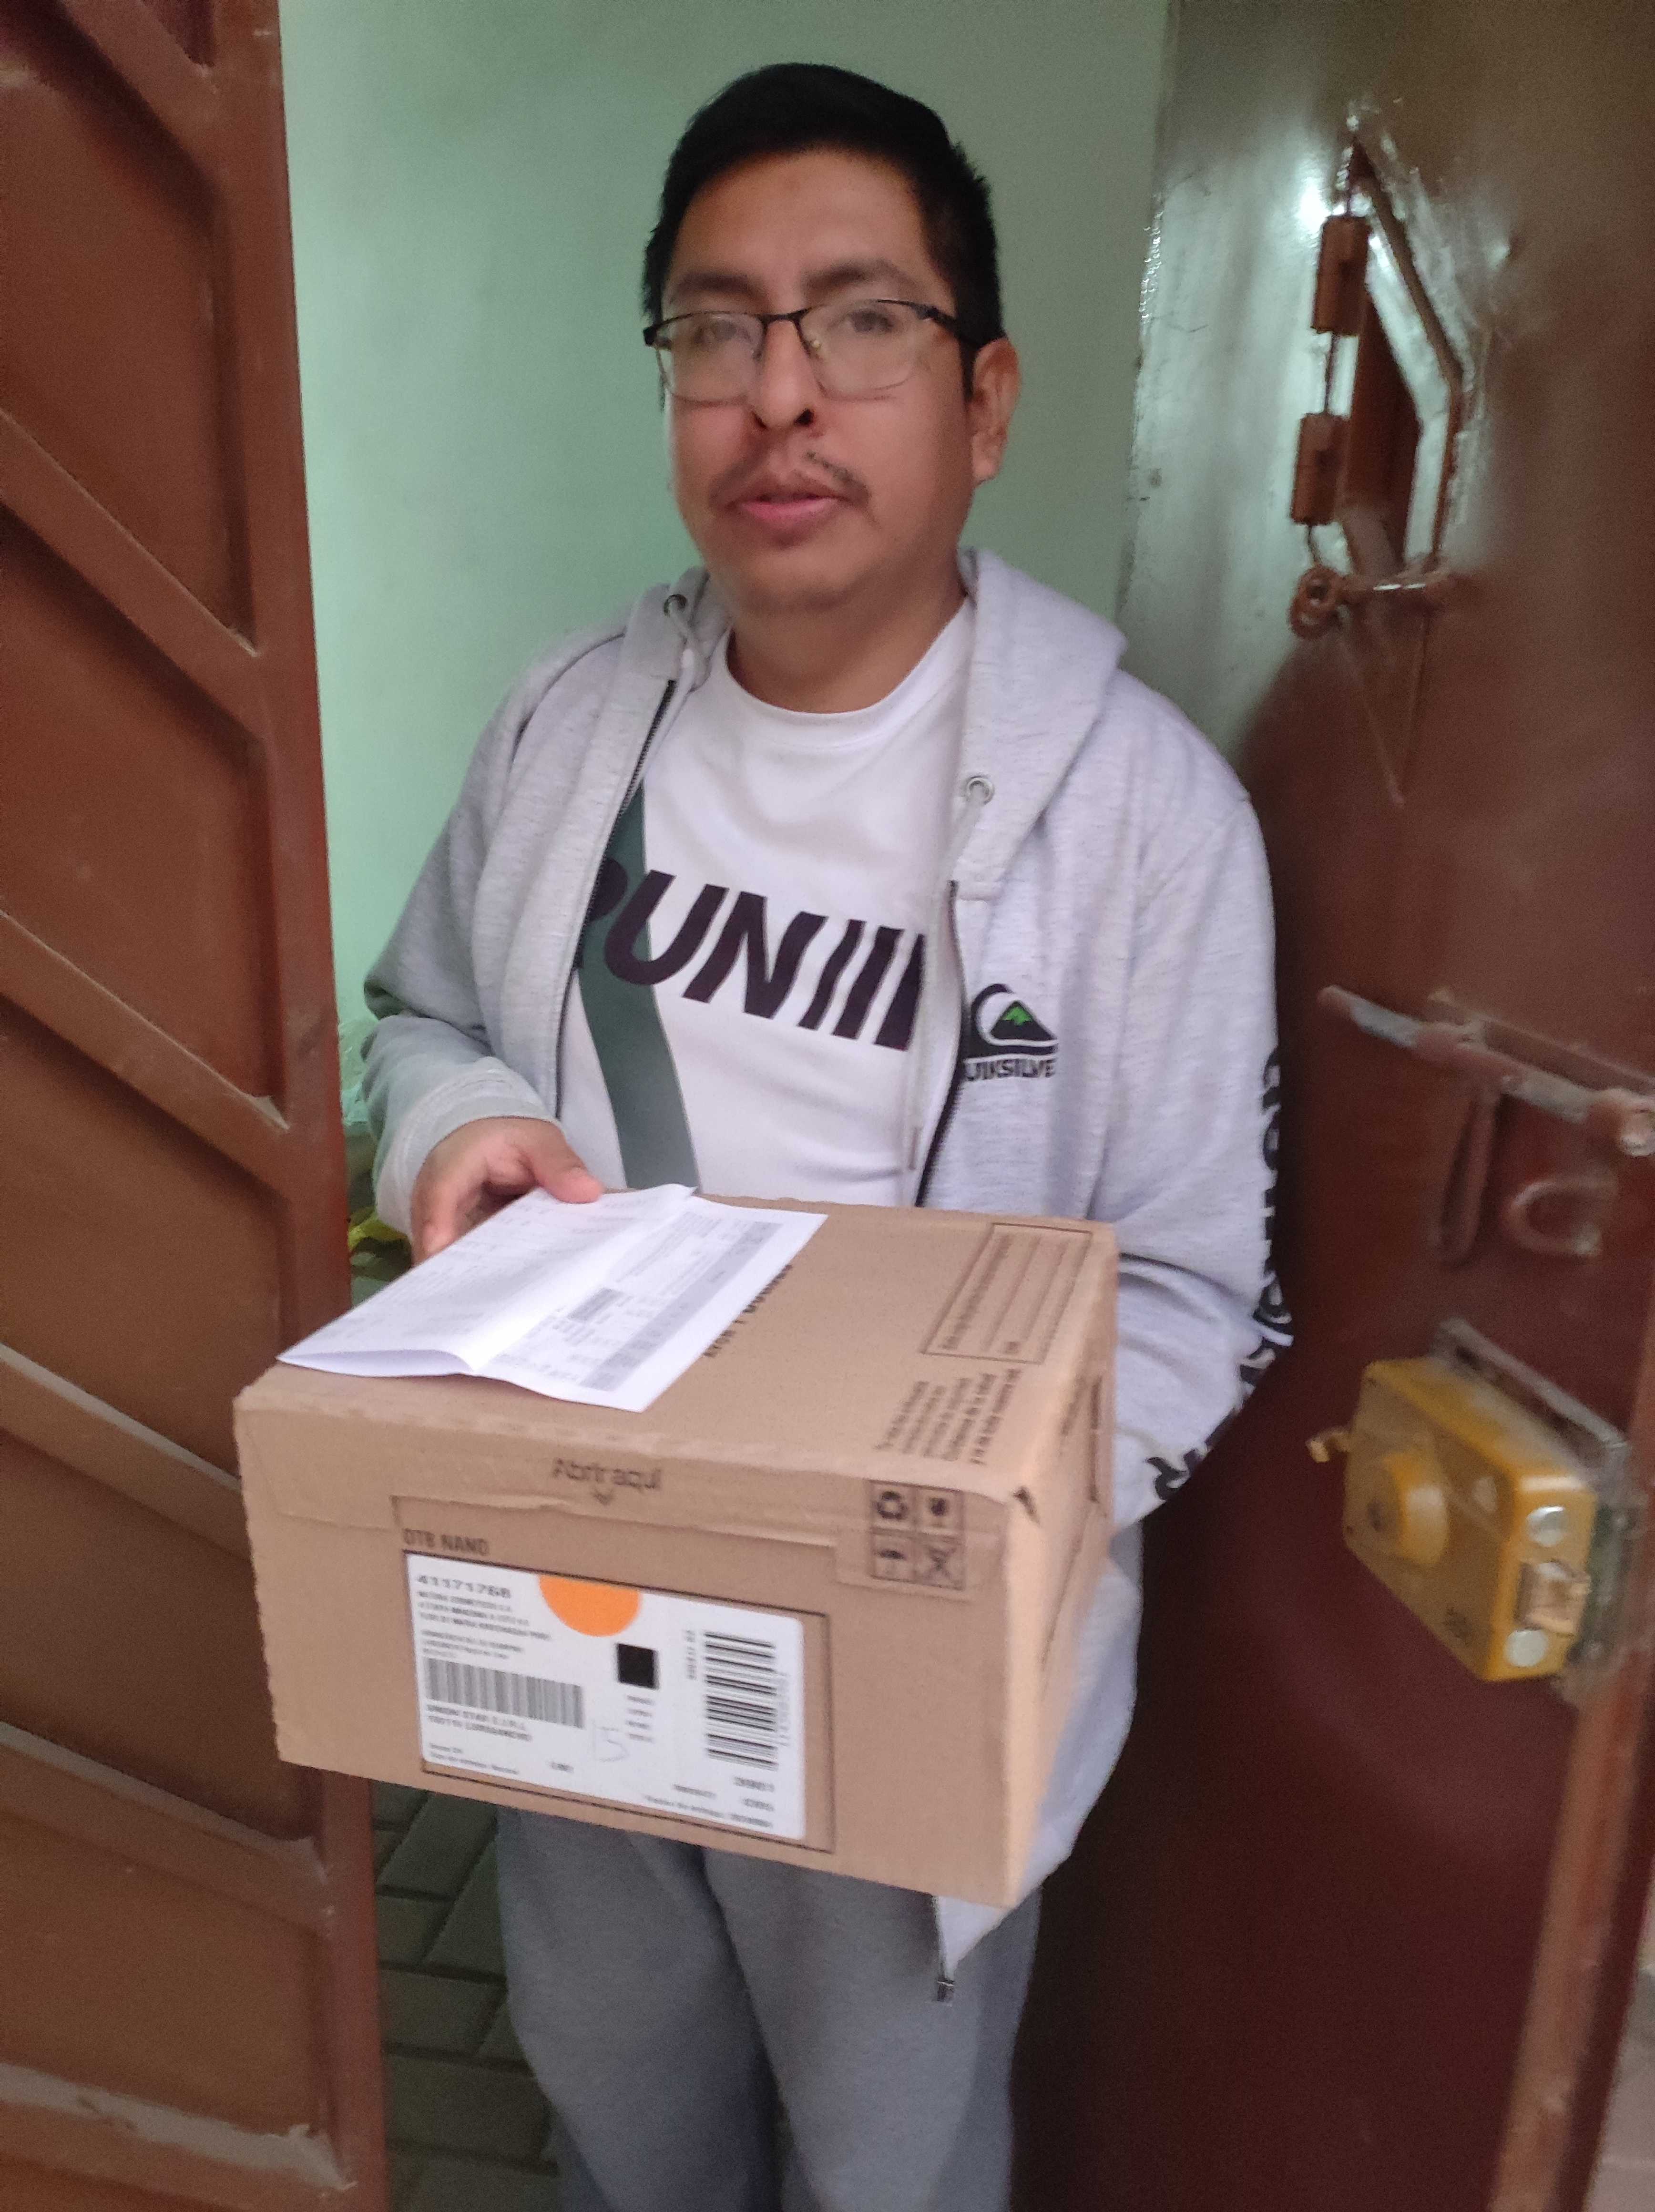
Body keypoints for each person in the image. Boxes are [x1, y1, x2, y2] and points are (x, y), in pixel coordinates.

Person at [363, 61, 1287, 2212]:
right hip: (577, 1598)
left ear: (985, 400)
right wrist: (461, 1124)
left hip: (903, 1657)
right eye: (717, 329)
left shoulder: (1143, 819)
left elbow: (1193, 1295)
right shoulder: (562, 725)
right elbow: (421, 1014)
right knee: (616, 2113)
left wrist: (956, 1538)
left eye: (861, 320)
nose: (780, 395)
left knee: (887, 2164)